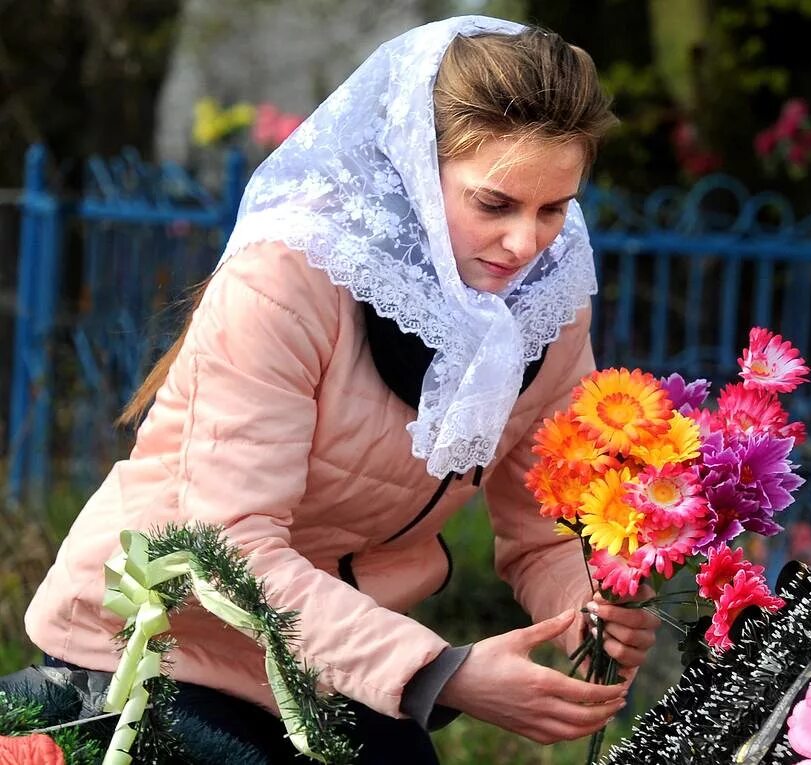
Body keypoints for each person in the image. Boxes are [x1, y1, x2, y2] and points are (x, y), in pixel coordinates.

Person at [23, 15, 660, 763]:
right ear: (416, 171)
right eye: (494, 204)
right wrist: (439, 672)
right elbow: (227, 545)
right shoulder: (287, 276)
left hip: (331, 662)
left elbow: (549, 517)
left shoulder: (547, 299)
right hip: (160, 642)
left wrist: (589, 603)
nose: (527, 243)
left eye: (554, 208)